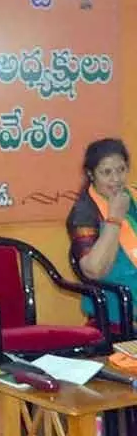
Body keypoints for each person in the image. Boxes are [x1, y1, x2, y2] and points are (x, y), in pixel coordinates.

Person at [67, 137, 137, 326]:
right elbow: (94, 270)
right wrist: (114, 218)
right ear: (91, 174)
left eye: (121, 170)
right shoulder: (84, 212)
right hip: (118, 304)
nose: (116, 179)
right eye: (106, 172)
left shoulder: (134, 196)